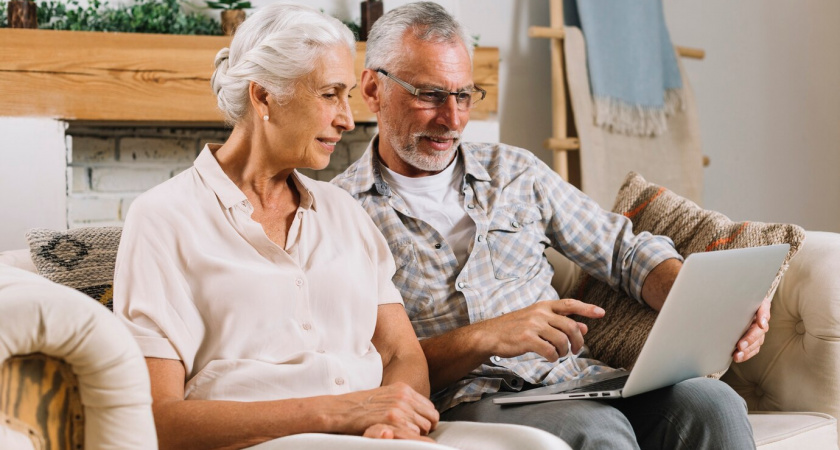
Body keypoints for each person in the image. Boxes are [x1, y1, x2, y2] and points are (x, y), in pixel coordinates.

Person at [113, 4, 569, 450]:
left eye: (348, 95)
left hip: (376, 437)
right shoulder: (163, 219)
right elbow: (156, 420)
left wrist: (387, 424)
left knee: (542, 445)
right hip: (272, 440)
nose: (348, 119)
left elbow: (401, 356)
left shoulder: (343, 211)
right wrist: (344, 411)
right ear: (264, 96)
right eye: (330, 94)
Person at [332, 2, 770, 449]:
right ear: (372, 89)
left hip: (575, 379)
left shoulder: (514, 171)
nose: (453, 119)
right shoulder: (340, 212)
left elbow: (624, 252)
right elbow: (370, 364)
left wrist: (714, 305)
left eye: (463, 95)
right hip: (469, 400)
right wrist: (485, 337)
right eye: (429, 95)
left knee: (713, 402)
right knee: (596, 430)